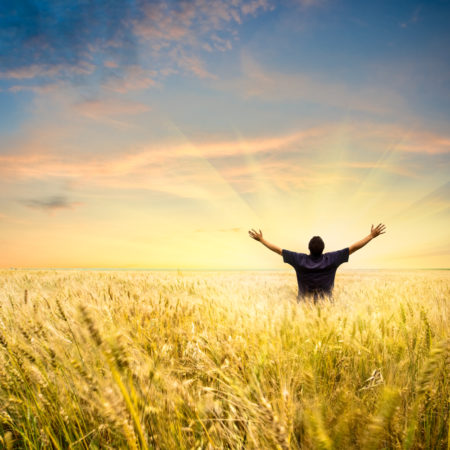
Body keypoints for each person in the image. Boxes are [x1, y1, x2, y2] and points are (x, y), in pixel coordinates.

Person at [248, 224, 386, 302]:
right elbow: (353, 248)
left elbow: (278, 250)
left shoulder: (298, 259)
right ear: (323, 249)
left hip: (303, 307)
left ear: (308, 248)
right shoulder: (332, 259)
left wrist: (261, 240)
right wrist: (371, 236)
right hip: (326, 306)